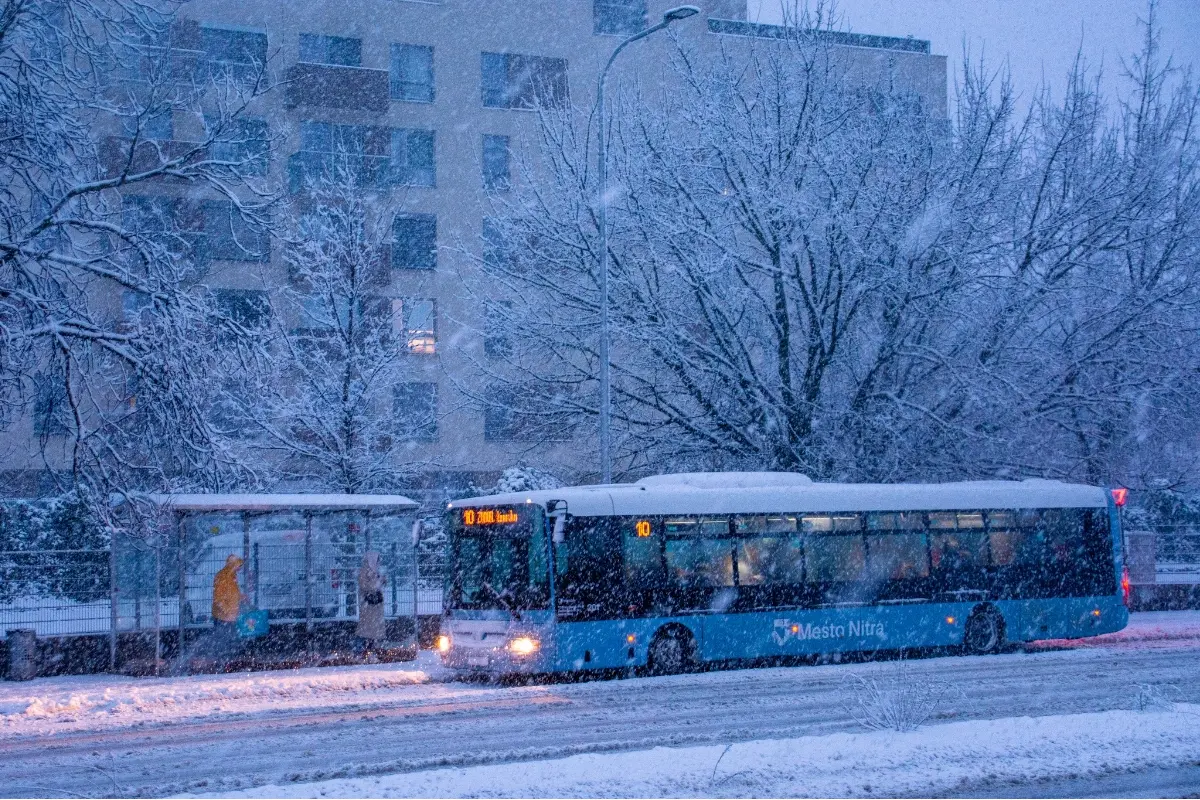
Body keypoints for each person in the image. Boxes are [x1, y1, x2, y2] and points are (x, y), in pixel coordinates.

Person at [356, 551, 387, 657]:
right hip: (368, 604)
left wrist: (381, 581)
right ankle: (364, 650)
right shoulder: (365, 571)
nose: (378, 562)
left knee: (372, 629)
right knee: (367, 629)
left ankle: (370, 649)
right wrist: (378, 583)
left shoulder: (375, 570)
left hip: (374, 603)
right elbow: (365, 585)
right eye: (377, 559)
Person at [211, 554, 244, 653]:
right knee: (224, 643)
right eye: (238, 565)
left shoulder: (231, 576)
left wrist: (241, 597)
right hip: (223, 617)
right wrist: (228, 613)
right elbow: (218, 598)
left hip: (229, 616)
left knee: (229, 642)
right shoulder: (223, 577)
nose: (240, 568)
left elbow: (231, 594)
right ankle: (224, 662)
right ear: (233, 565)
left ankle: (227, 661)